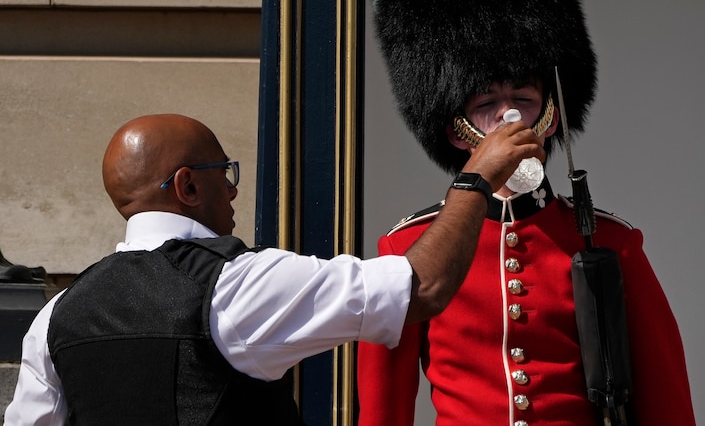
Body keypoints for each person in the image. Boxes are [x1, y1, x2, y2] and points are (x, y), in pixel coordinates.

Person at [3, 113, 544, 425]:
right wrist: (474, 179)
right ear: (189, 185)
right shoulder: (236, 286)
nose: (234, 188)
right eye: (224, 172)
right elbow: (421, 286)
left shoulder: (56, 317)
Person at [357, 0, 697, 425]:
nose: (509, 116)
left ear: (551, 116)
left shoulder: (613, 245)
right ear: (458, 130)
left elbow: (668, 407)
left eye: (523, 97)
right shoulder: (405, 250)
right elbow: (382, 412)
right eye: (485, 105)